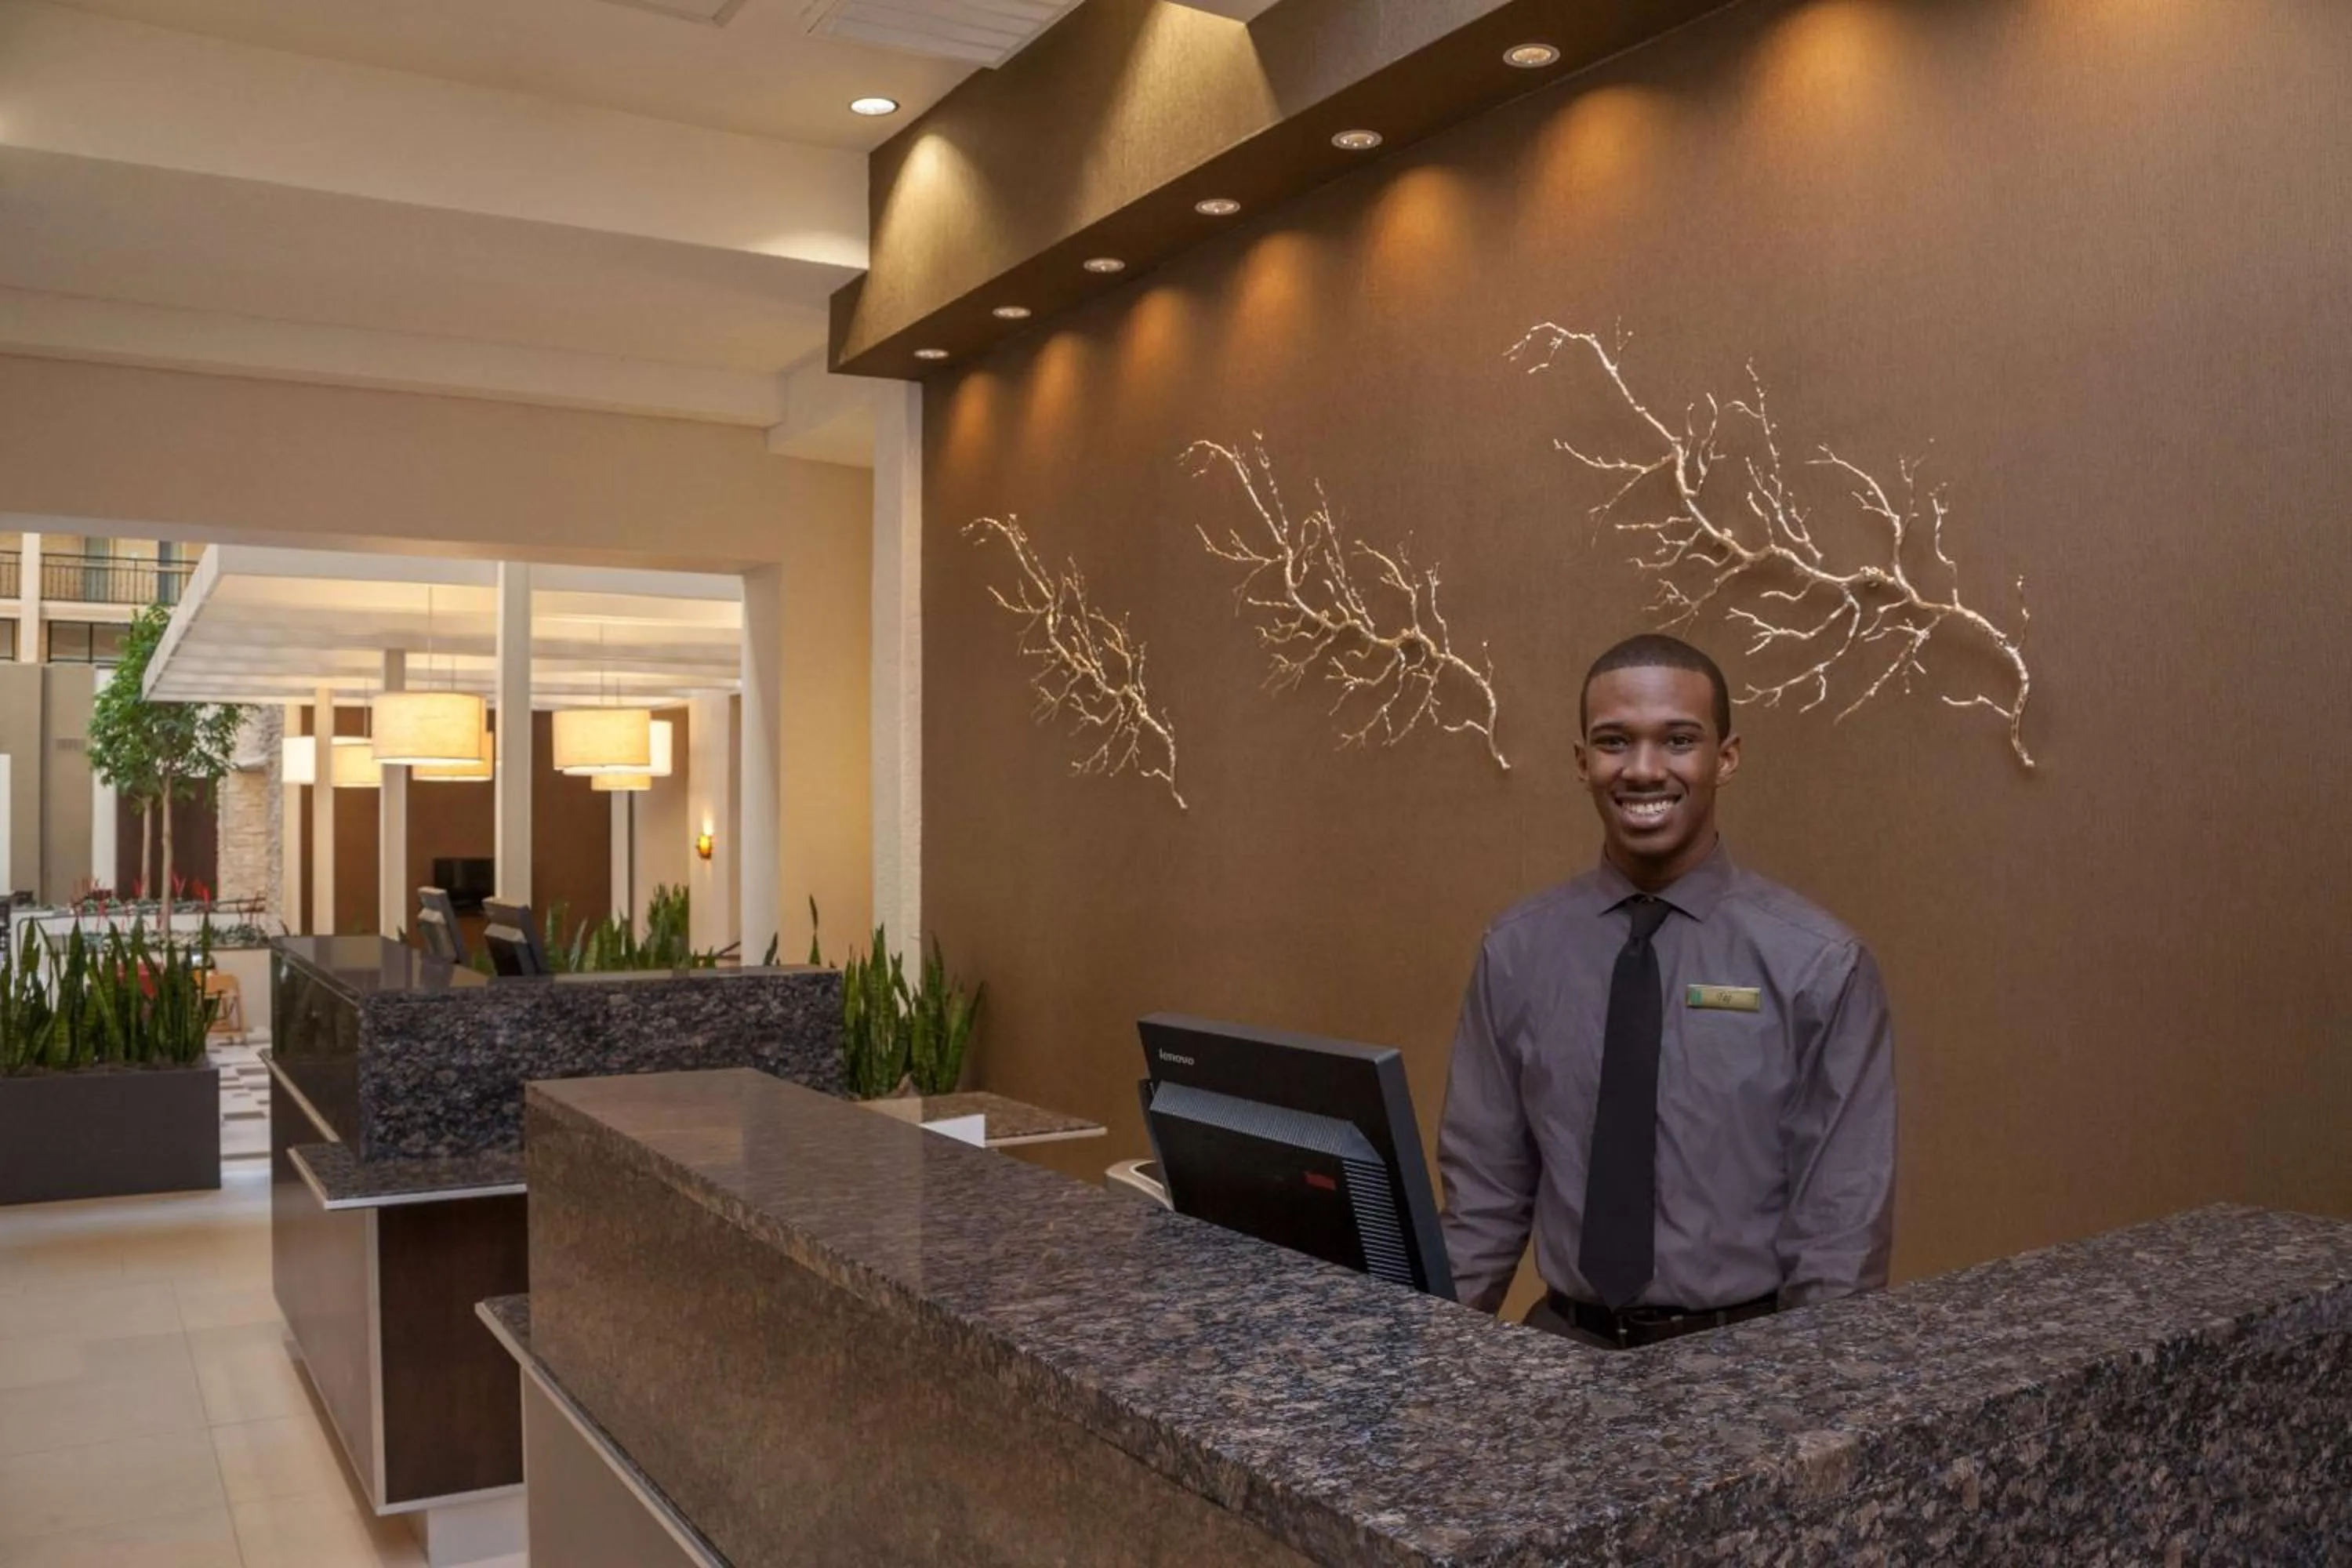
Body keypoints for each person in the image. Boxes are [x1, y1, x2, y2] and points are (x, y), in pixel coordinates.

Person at [1436, 633, 1895, 1350]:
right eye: (1615, 742)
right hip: (1561, 1353)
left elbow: (1839, 1234)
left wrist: (1811, 1402)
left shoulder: (1819, 964)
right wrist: (1415, 1371)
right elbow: (1481, 1204)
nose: (1644, 769)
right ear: (1582, 762)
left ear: (1726, 757)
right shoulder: (1516, 953)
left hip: (1742, 1364)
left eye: (1678, 740)